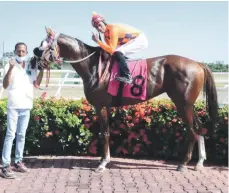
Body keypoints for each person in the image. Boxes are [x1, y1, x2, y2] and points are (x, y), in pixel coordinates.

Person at [0, 42, 44, 179]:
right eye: (18, 51)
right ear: (15, 52)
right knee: (10, 135)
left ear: (26, 52)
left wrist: (42, 70)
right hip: (14, 105)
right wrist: (10, 69)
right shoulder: (10, 65)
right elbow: (6, 85)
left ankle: (18, 161)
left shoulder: (31, 66)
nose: (20, 53)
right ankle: (5, 165)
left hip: (26, 105)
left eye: (23, 51)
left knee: (21, 135)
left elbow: (37, 84)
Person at [91, 12, 148, 84]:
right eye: (96, 27)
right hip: (129, 41)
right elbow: (109, 50)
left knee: (118, 52)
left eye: (99, 25)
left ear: (104, 22)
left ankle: (127, 76)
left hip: (139, 39)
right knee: (116, 53)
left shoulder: (113, 29)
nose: (98, 28)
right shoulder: (105, 36)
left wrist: (98, 42)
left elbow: (112, 49)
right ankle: (127, 65)